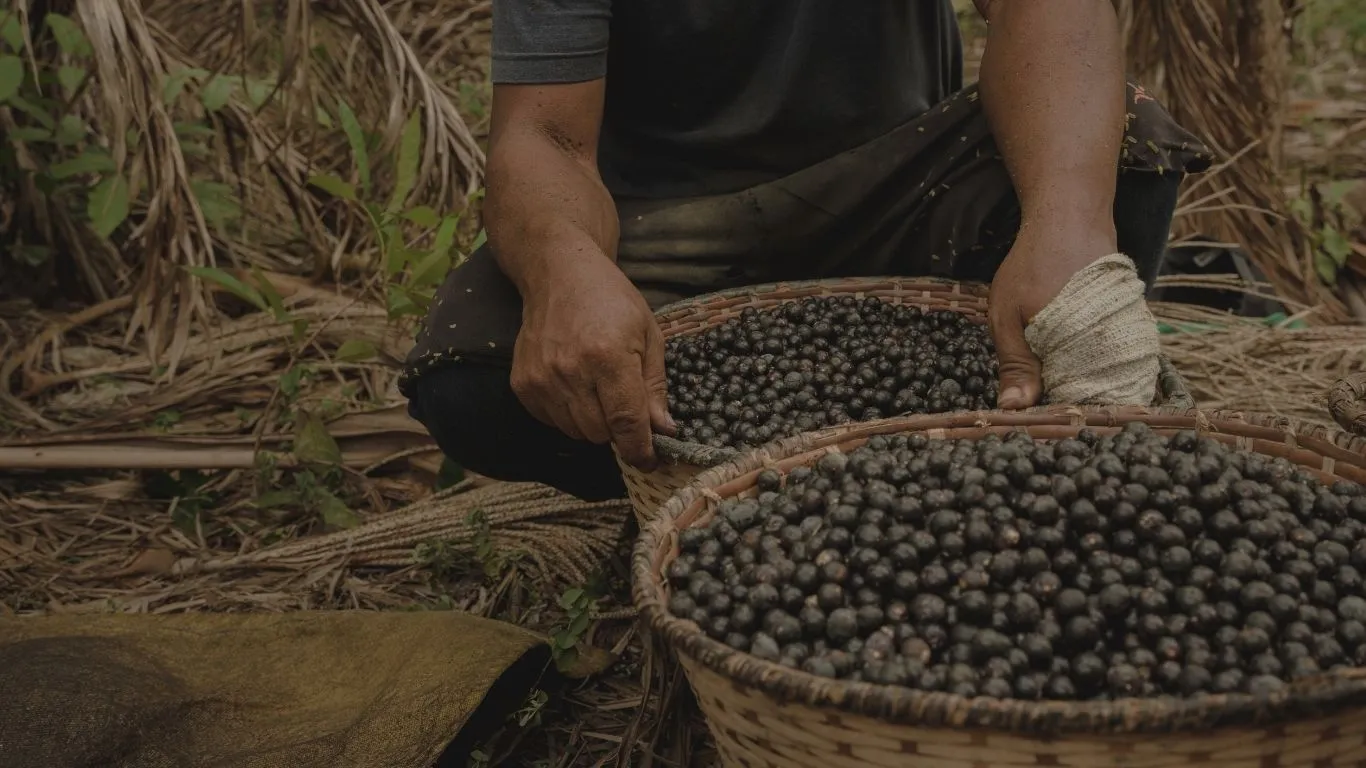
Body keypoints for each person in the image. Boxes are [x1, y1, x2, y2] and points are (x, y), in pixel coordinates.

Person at [401, 0, 1212, 502]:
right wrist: (565, 266)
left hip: (897, 199)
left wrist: (1065, 223)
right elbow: (542, 134)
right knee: (476, 371)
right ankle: (719, 501)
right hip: (671, 233)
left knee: (1123, 150)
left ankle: (994, 471)